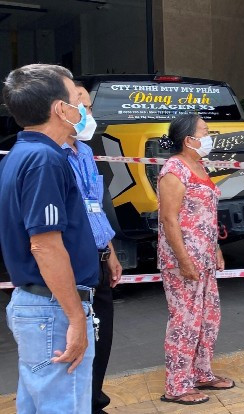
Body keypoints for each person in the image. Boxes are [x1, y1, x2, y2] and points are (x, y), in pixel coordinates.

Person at [0, 63, 100, 413]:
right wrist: (75, 318)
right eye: (76, 100)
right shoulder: (44, 159)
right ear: (60, 109)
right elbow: (45, 244)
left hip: (39, 305)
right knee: (62, 405)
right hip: (52, 309)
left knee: (38, 403)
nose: (82, 108)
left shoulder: (21, 153)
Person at [157, 114, 233, 405]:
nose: (209, 136)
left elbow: (205, 215)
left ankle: (201, 373)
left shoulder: (199, 165)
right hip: (183, 260)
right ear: (188, 139)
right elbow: (169, 219)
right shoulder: (174, 169)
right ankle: (176, 386)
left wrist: (215, 248)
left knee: (208, 319)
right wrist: (184, 260)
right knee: (185, 322)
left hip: (204, 258)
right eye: (205, 131)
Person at [63, 82, 124, 413]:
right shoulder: (51, 158)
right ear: (61, 109)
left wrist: (110, 252)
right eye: (82, 107)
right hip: (74, 266)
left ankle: (94, 402)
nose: (89, 115)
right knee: (75, 344)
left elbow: (94, 206)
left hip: (98, 260)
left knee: (101, 341)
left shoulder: (84, 153)